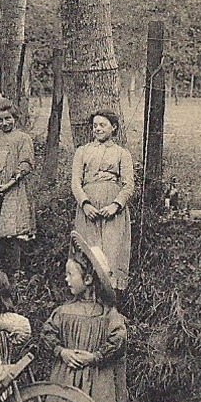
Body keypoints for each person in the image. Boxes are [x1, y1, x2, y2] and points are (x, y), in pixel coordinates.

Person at [40, 233, 128, 402]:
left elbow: (118, 340)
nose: (66, 279)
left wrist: (95, 357)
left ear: (88, 279)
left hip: (96, 375)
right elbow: (47, 333)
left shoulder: (108, 314)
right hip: (68, 373)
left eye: (70, 274)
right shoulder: (63, 311)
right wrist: (61, 351)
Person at [71, 109, 134, 292]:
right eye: (95, 126)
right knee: (88, 254)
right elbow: (75, 182)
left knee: (111, 256)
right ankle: (87, 302)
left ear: (113, 127)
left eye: (102, 125)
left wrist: (116, 205)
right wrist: (85, 204)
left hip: (113, 214)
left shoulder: (122, 154)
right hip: (88, 212)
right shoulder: (82, 152)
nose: (97, 129)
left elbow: (129, 185)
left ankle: (111, 306)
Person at [0, 99, 36, 279]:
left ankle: (15, 274)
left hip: (13, 191)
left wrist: (6, 186)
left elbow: (25, 165)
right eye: (0, 120)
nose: (4, 123)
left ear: (15, 118)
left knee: (12, 233)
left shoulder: (23, 139)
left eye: (8, 118)